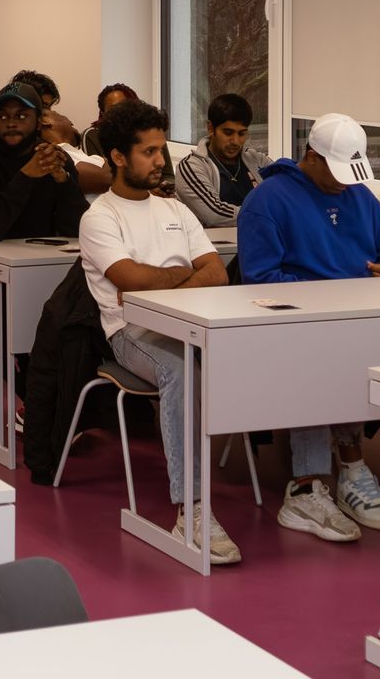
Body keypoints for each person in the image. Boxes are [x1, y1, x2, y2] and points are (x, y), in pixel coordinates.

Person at [75, 99, 239, 563]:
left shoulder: (175, 209)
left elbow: (217, 274)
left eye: (161, 150)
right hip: (132, 334)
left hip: (195, 325)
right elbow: (129, 280)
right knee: (182, 370)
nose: (160, 161)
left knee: (265, 351)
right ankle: (192, 507)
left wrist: (165, 282)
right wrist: (183, 276)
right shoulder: (100, 217)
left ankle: (305, 483)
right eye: (148, 152)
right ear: (118, 157)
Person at [238, 112, 380, 542]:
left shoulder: (361, 197)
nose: (345, 183)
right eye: (337, 171)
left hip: (357, 319)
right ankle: (315, 482)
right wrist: (334, 292)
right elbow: (258, 280)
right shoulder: (267, 200)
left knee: (365, 350)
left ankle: (350, 471)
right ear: (311, 156)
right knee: (318, 356)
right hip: (289, 325)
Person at [0, 81, 87, 373]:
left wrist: (63, 182)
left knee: (77, 319)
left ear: (39, 121)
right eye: (3, 116)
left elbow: (78, 227)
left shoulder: (55, 158)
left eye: (21, 116)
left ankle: (54, 391)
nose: (11, 123)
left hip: (41, 265)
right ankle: (26, 394)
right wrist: (26, 176)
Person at [175, 92, 270, 229]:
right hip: (214, 242)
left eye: (241, 133)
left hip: (258, 238)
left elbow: (285, 193)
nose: (235, 141)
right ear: (210, 128)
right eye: (228, 133)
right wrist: (267, 215)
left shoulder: (258, 160)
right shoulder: (191, 167)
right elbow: (214, 215)